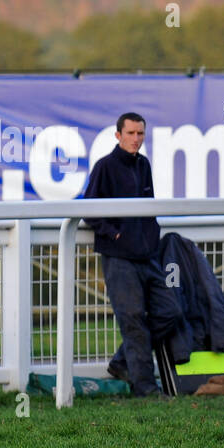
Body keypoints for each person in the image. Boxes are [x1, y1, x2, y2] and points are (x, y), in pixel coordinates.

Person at [82, 112, 183, 398]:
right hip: (119, 258)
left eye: (140, 134)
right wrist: (115, 234)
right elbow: (88, 209)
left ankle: (121, 363)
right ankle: (146, 389)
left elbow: (147, 208)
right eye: (130, 133)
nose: (136, 139)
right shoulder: (105, 166)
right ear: (118, 135)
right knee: (134, 321)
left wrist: (149, 239)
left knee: (169, 312)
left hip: (147, 256)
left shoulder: (143, 164)